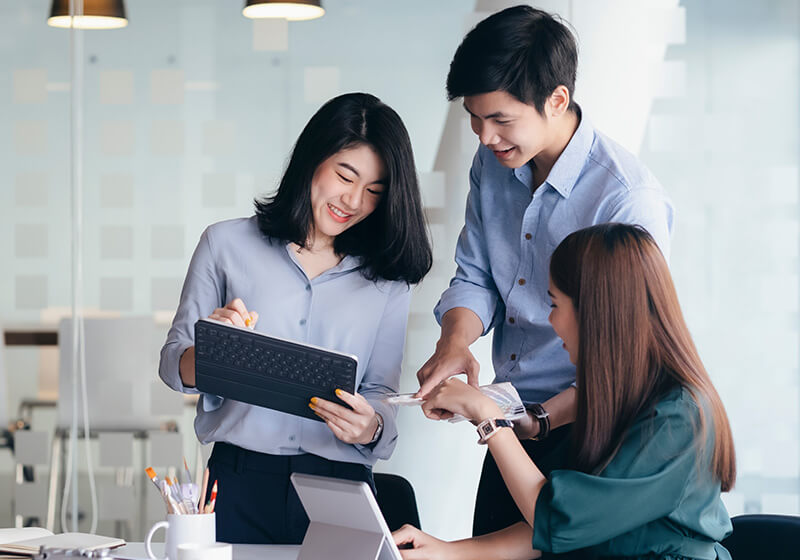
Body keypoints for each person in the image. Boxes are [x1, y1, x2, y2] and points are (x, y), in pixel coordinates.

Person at [415, 5, 675, 536]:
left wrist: (540, 419)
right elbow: (476, 274)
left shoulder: (627, 198)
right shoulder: (493, 163)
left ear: (557, 100)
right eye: (474, 117)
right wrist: (455, 343)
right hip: (510, 424)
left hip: (595, 436)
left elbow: (632, 358)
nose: (485, 137)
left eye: (501, 120)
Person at [159, 92, 432, 544]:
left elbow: (381, 393)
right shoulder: (225, 244)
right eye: (346, 175)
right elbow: (173, 364)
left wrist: (372, 426)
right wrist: (211, 351)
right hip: (237, 482)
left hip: (342, 488)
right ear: (311, 159)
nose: (354, 200)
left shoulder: (388, 279)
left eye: (374, 192)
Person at [396, 223, 735, 560]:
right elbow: (557, 529)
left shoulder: (676, 418)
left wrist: (489, 418)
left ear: (596, 312)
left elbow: (558, 520)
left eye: (555, 304)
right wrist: (445, 551)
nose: (552, 322)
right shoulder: (624, 397)